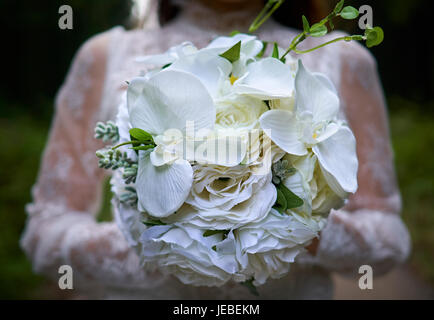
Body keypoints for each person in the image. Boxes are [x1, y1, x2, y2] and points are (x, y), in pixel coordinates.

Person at [20, 0, 410, 299]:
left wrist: (291, 230)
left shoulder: (341, 58)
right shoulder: (105, 56)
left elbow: (388, 237)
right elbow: (45, 233)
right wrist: (162, 248)